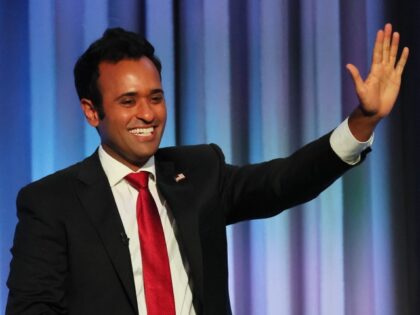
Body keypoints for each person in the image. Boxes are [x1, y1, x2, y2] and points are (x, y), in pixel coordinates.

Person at [6, 24, 408, 315]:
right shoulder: (51, 202)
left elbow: (281, 183)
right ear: (92, 111)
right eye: (128, 101)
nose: (147, 113)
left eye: (155, 97)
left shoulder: (200, 171)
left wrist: (362, 122)